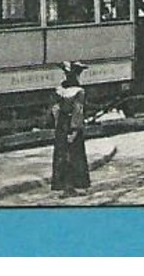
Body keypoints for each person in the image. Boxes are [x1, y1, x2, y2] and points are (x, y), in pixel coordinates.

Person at [50, 60, 91, 196]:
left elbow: (55, 110)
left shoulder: (59, 91)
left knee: (61, 155)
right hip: (72, 125)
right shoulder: (79, 91)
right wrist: (74, 130)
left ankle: (63, 187)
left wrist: (59, 126)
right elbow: (77, 112)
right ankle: (77, 186)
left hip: (61, 125)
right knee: (76, 155)